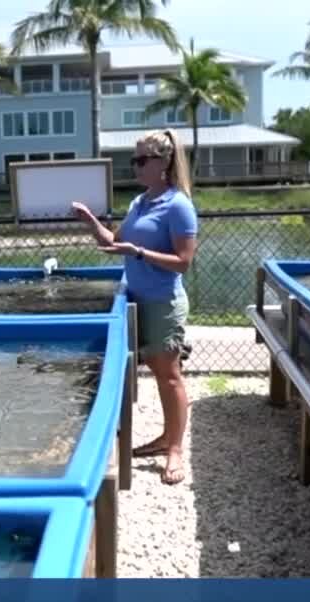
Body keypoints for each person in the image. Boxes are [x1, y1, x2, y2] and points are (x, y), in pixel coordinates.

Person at [71, 128, 198, 485]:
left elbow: (184, 261)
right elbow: (116, 242)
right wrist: (91, 222)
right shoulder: (140, 202)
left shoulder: (178, 205)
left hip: (162, 302)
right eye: (134, 159)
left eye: (142, 160)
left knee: (169, 376)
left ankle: (174, 450)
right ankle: (164, 439)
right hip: (136, 300)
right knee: (152, 374)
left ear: (164, 162)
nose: (136, 166)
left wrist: (139, 253)